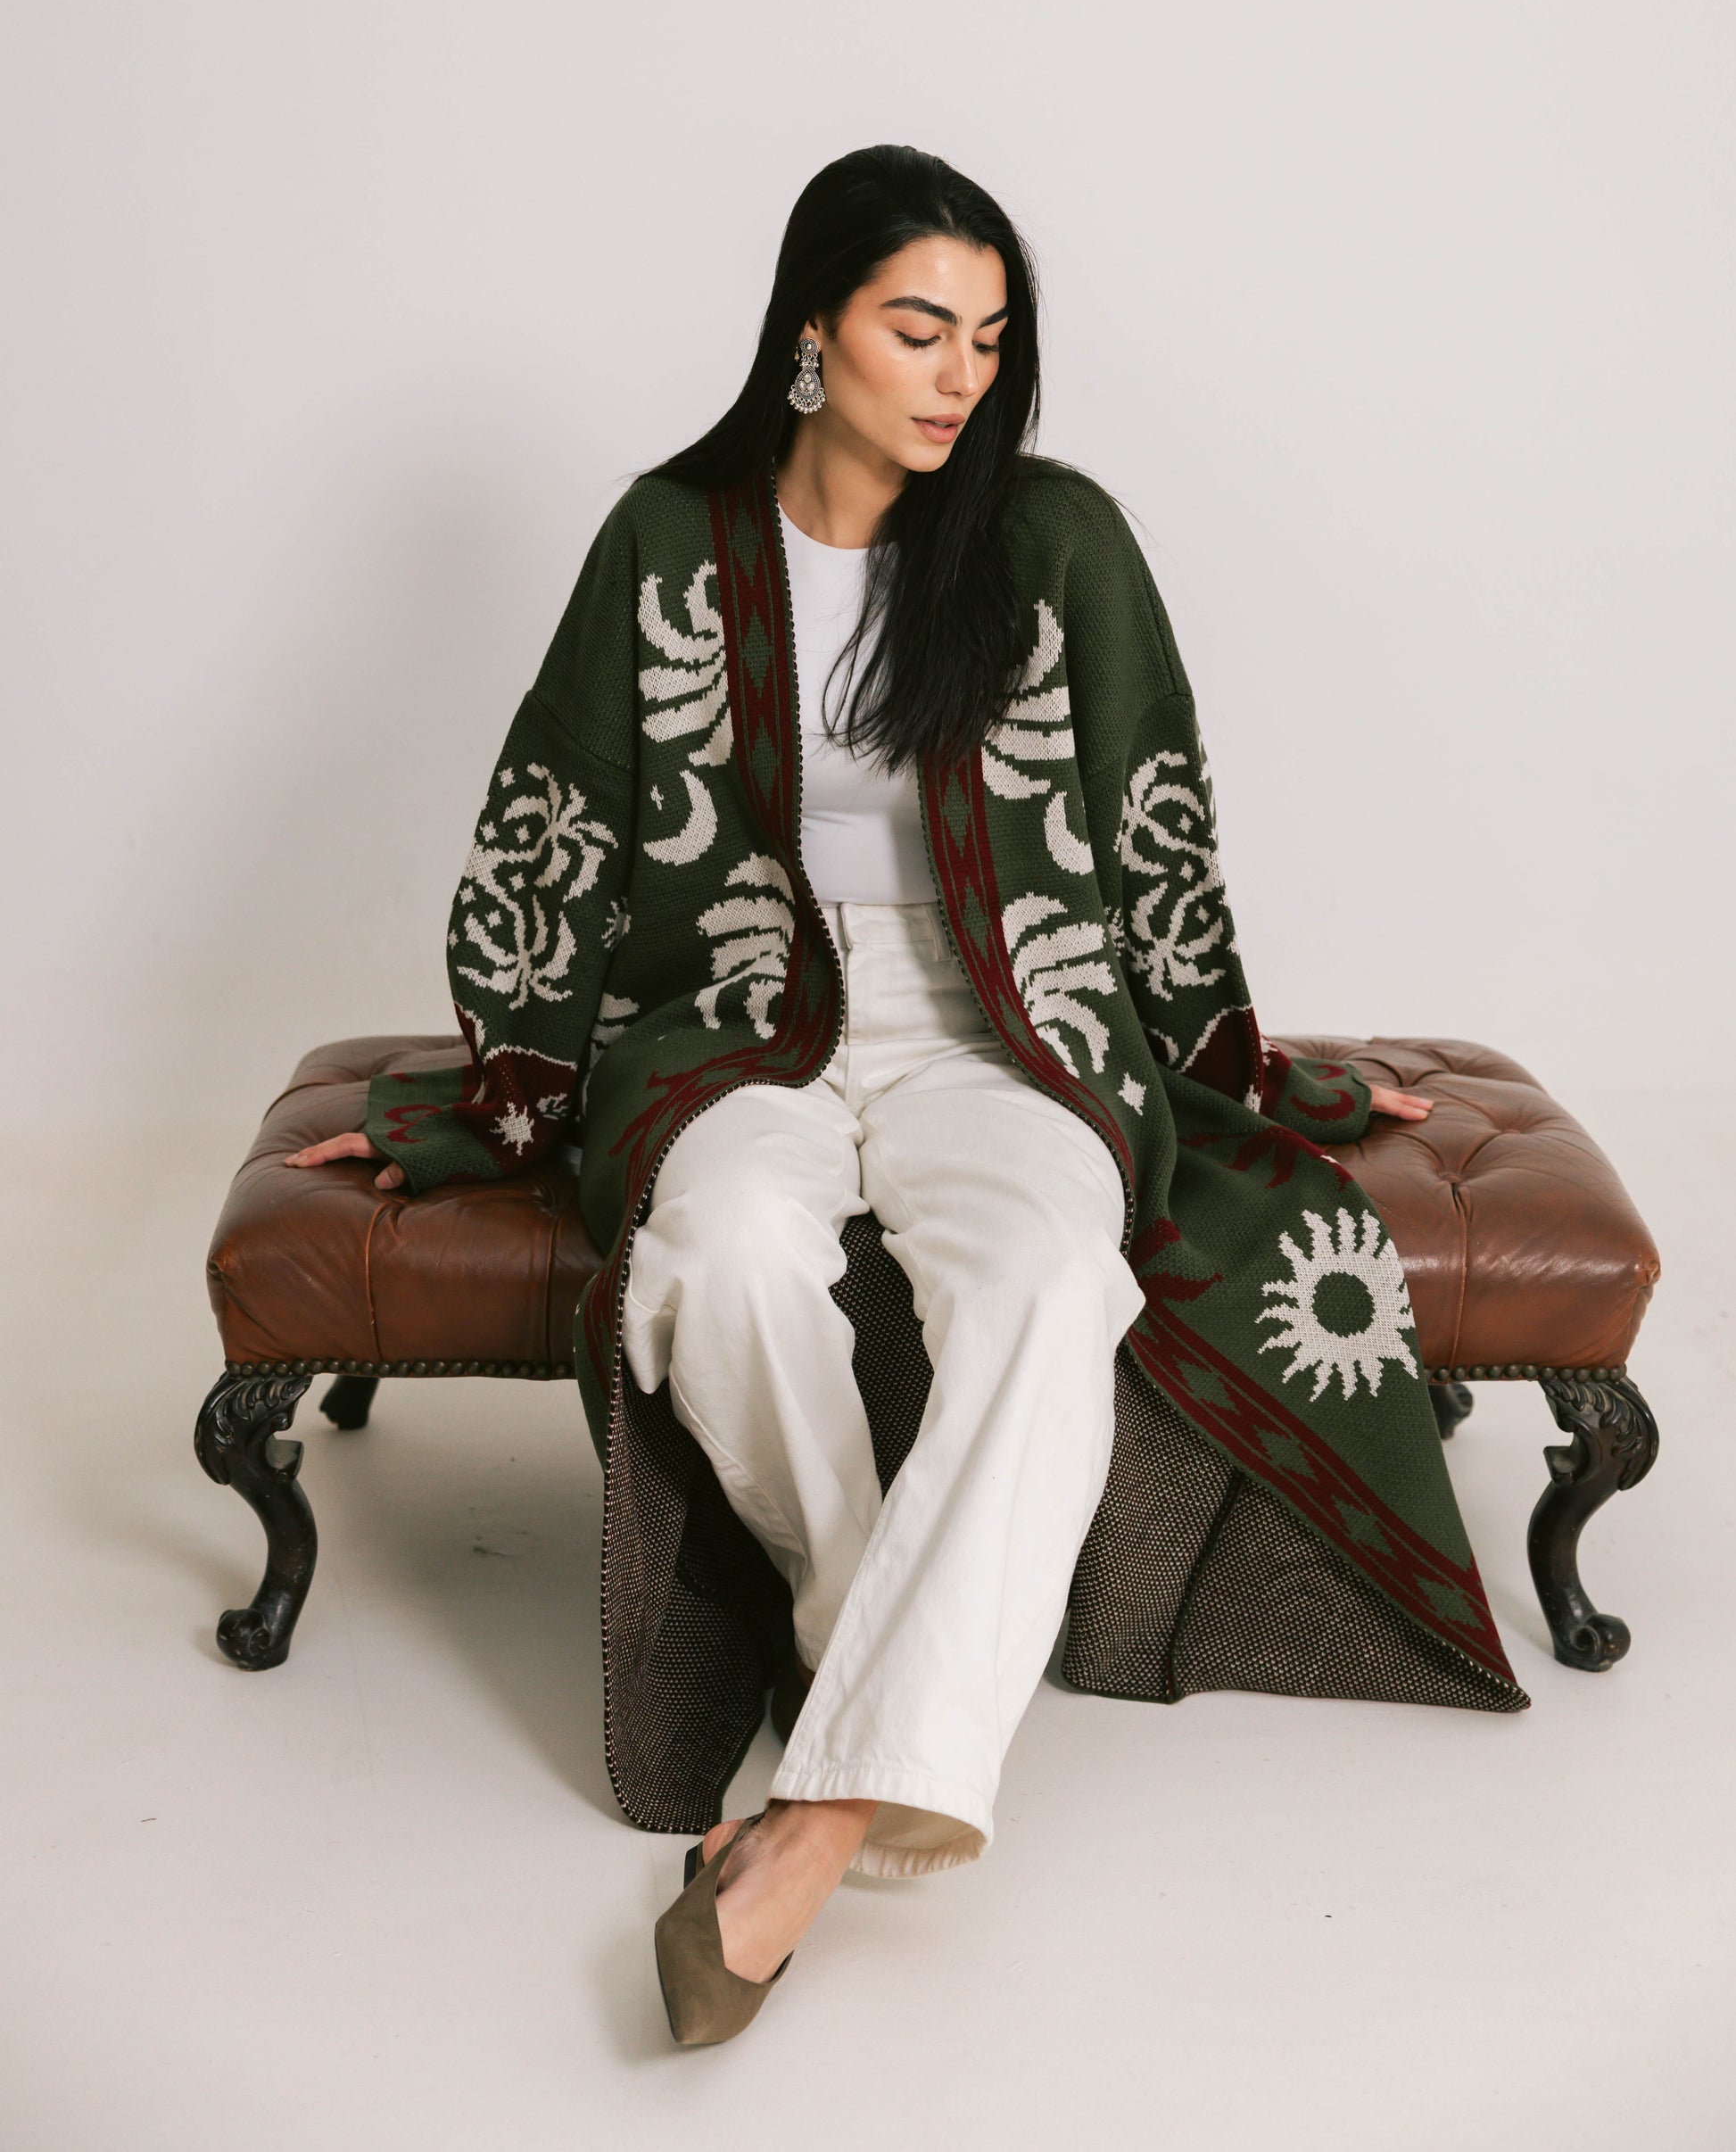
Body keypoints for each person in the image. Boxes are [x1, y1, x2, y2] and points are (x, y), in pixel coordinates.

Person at [288, 145, 1525, 2046]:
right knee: (719, 1256)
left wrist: (1219, 1051)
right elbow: (563, 806)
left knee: (1047, 1277)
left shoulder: (1054, 539)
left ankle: (814, 1816)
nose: (960, 376)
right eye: (917, 328)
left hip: (1008, 1023)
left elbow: (1151, 812)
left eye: (989, 338)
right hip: (737, 1017)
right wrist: (499, 1087)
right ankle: (884, 1671)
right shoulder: (668, 536)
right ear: (813, 331)